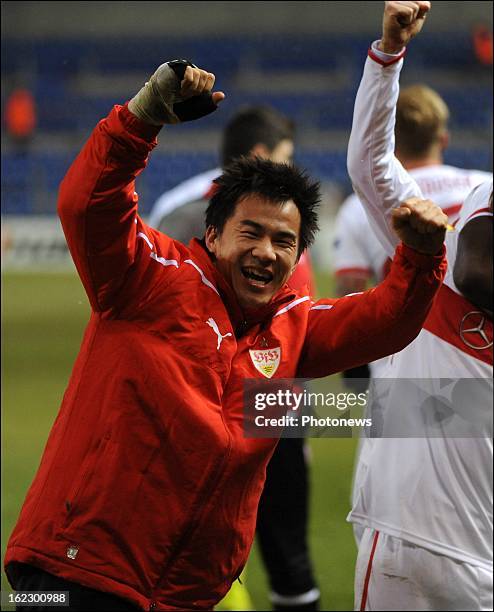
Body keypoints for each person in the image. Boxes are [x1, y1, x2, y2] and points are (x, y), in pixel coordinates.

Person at [5, 57, 448, 612]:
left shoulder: (294, 327)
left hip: (185, 597)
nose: (267, 251)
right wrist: (142, 118)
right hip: (71, 579)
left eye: (284, 242)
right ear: (212, 235)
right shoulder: (146, 278)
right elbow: (86, 202)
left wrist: (423, 256)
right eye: (252, 232)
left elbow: (385, 320)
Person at [346, 2, 493, 609]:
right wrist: (386, 59)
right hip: (408, 537)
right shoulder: (435, 247)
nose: (483, 260)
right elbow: (369, 165)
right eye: (484, 234)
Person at [148, 106, 320, 612]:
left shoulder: (280, 213)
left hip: (248, 403)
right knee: (260, 554)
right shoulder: (192, 211)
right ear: (263, 155)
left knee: (253, 551)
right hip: (225, 404)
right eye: (288, 158)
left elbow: (301, 325)